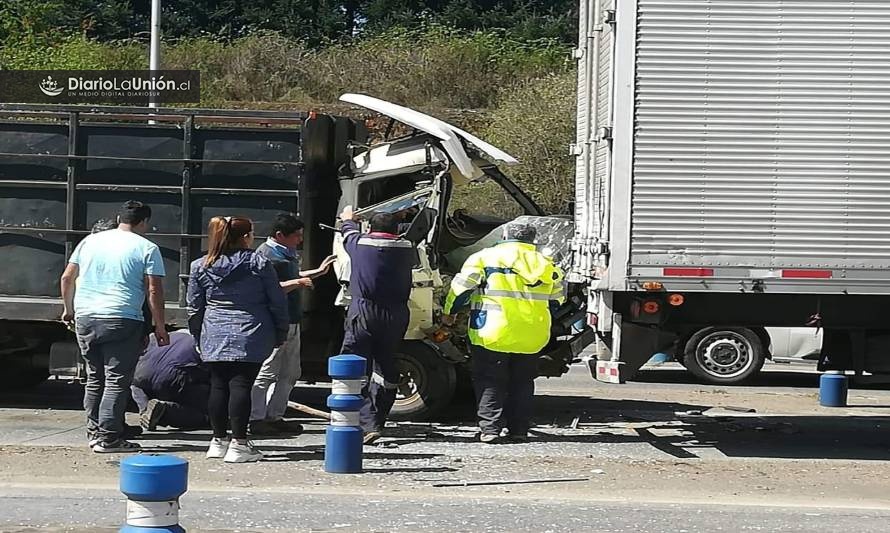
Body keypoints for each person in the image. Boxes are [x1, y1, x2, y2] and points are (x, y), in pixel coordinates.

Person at [59, 201, 168, 453]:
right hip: (122, 317)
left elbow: (67, 277)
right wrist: (159, 326)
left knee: (95, 378)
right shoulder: (147, 247)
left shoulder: (89, 241)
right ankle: (110, 438)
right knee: (117, 381)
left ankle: (94, 431)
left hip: (86, 317)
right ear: (144, 222)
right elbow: (154, 290)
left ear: (120, 217)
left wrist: (68, 309)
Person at [442, 222, 565, 444]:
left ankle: (490, 430)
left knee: (489, 380)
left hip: (492, 331)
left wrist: (449, 313)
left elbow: (461, 290)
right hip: (532, 334)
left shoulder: (485, 257)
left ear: (505, 235)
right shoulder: (546, 263)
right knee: (523, 382)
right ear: (532, 239)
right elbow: (557, 301)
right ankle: (519, 430)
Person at [187, 216, 289, 463]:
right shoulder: (258, 262)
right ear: (245, 237)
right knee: (242, 385)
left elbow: (193, 306)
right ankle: (239, 443)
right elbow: (276, 300)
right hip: (251, 329)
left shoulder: (200, 265)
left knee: (218, 385)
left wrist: (198, 334)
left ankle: (217, 440)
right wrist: (281, 330)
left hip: (214, 330)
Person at [250, 213, 336, 435]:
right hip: (275, 322)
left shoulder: (284, 253)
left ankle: (275, 415)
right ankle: (256, 418)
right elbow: (267, 289)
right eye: (296, 236)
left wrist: (316, 273)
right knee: (267, 371)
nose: (299, 240)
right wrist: (298, 282)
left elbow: (292, 276)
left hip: (292, 320)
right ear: (280, 235)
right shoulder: (265, 256)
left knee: (290, 372)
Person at [338, 205, 415, 445]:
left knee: (353, 366)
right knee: (385, 368)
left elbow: (347, 231)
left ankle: (365, 422)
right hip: (396, 314)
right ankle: (377, 420)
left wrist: (348, 218)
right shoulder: (406, 247)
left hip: (365, 311)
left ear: (370, 228)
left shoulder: (361, 244)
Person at [132, 330, 210, 431]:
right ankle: (165, 411)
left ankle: (145, 410)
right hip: (172, 378)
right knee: (207, 413)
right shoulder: (200, 342)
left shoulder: (160, 336)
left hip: (139, 377)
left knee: (136, 384)